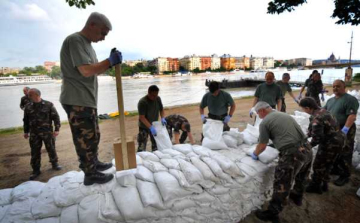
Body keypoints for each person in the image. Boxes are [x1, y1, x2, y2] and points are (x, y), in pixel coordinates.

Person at [60, 12, 122, 186]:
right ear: (92, 25)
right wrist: (109, 61)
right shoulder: (75, 40)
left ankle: (93, 164)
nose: (103, 38)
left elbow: (95, 69)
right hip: (76, 99)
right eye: (102, 33)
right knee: (84, 138)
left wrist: (109, 62)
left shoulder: (87, 45)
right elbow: (86, 71)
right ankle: (90, 173)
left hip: (86, 99)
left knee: (93, 135)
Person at [251, 101, 312, 222]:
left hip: (292, 153)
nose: (259, 116)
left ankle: (272, 213)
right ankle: (297, 197)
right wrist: (276, 144)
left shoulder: (265, 123)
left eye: (258, 113)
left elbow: (262, 145)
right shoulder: (285, 115)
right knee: (302, 176)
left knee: (282, 184)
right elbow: (287, 133)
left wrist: (255, 154)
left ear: (262, 111)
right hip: (307, 148)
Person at [299, 97, 344, 194]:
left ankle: (315, 187)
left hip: (330, 144)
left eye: (303, 109)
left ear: (307, 108)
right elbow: (313, 130)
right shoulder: (323, 111)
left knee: (318, 165)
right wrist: (305, 136)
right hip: (339, 140)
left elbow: (317, 138)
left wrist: (307, 147)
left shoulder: (317, 118)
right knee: (328, 164)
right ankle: (324, 184)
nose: (303, 111)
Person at [324, 79, 359, 186]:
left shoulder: (350, 99)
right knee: (335, 150)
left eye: (338, 86)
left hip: (346, 129)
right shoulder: (330, 100)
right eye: (334, 86)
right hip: (334, 130)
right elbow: (325, 113)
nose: (335, 88)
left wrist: (345, 130)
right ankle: (336, 169)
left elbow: (352, 116)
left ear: (344, 87)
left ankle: (345, 175)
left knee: (345, 151)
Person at [23, 88, 62, 180]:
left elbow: (56, 117)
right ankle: (36, 170)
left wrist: (57, 129)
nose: (28, 97)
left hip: (47, 132)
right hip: (34, 133)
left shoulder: (48, 105)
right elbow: (26, 120)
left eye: (30, 95)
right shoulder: (28, 107)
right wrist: (26, 131)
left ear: (36, 95)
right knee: (35, 151)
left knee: (51, 148)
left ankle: (54, 164)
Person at [137, 85, 166, 152]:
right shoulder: (143, 102)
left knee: (155, 144)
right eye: (153, 95)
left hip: (155, 125)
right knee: (142, 146)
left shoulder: (158, 99)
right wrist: (150, 127)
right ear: (149, 93)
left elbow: (161, 110)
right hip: (144, 126)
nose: (155, 97)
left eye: (156, 95)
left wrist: (163, 118)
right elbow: (142, 118)